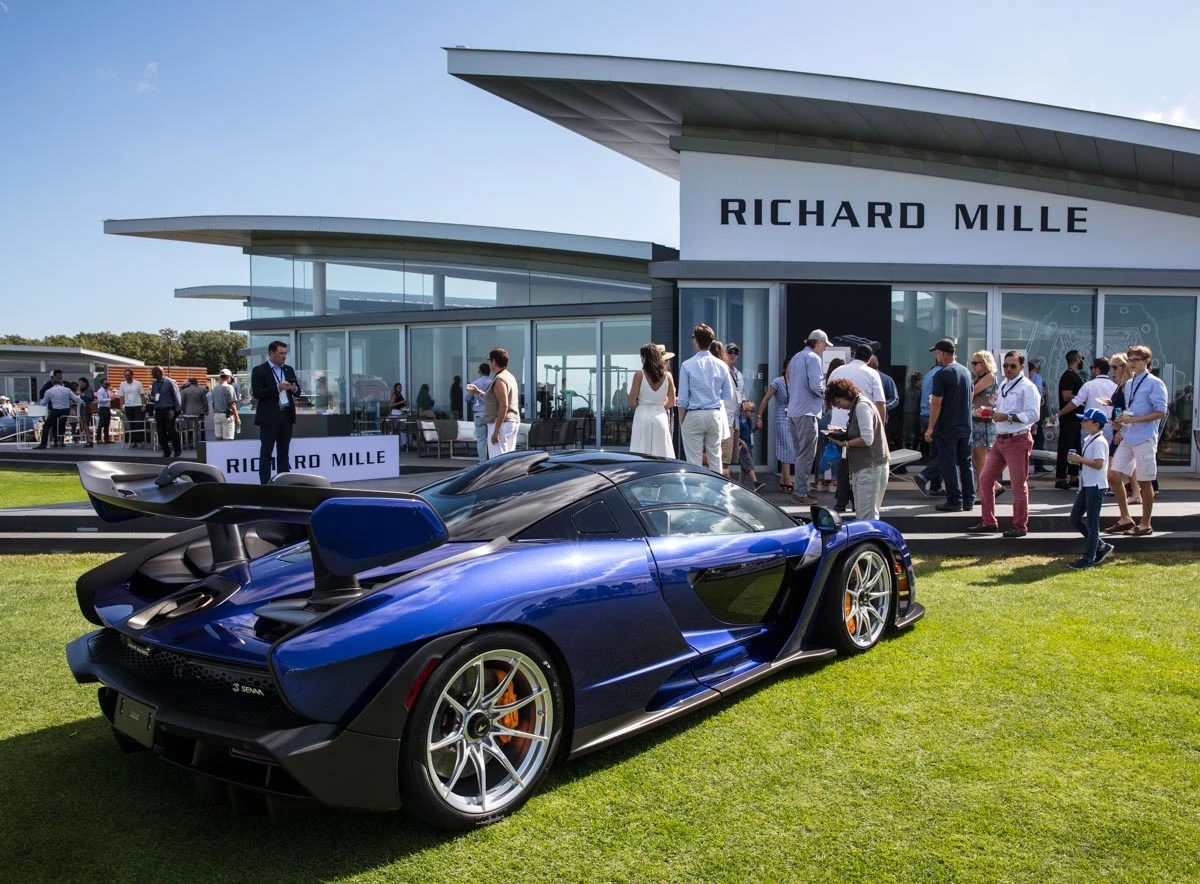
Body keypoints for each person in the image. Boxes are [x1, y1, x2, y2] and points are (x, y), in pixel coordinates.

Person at [970, 351, 1041, 537]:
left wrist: (1007, 416)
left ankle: (1019, 526)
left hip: (1018, 438)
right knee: (985, 478)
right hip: (1001, 438)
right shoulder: (1004, 384)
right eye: (1005, 366)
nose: (1008, 369)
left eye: (1012, 366)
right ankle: (988, 521)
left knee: (1018, 484)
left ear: (1022, 367)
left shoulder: (1028, 387)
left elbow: (1034, 415)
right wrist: (990, 411)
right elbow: (1001, 411)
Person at [1107, 345, 1168, 536]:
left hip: (1145, 437)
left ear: (1146, 362)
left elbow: (1161, 412)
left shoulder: (1155, 383)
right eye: (1130, 360)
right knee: (1113, 475)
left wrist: (1133, 420)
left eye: (1135, 360)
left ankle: (1145, 523)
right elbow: (1130, 409)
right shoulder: (1130, 383)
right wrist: (1120, 423)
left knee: (1145, 481)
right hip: (1129, 435)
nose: (1131, 364)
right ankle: (1125, 518)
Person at [828, 345, 886, 513]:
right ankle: (855, 502)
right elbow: (881, 403)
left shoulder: (837, 371)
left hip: (850, 425)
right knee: (853, 465)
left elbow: (829, 398)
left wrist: (834, 418)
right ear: (869, 359)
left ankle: (841, 501)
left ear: (853, 355)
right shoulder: (872, 374)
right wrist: (880, 428)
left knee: (846, 464)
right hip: (861, 426)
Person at [924, 338, 975, 512]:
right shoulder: (966, 372)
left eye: (937, 353)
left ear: (944, 354)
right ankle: (969, 499)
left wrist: (930, 427)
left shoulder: (942, 374)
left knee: (949, 464)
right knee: (966, 463)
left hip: (947, 426)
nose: (936, 356)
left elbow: (936, 402)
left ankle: (954, 500)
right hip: (965, 426)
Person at [677, 323, 733, 473]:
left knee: (694, 462)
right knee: (715, 458)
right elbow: (728, 394)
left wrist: (682, 421)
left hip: (694, 413)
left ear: (696, 341)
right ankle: (717, 493)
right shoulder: (721, 365)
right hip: (714, 413)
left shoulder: (687, 365)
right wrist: (713, 395)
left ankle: (695, 494)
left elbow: (682, 399)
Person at [785, 330, 829, 504]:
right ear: (818, 343)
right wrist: (827, 392)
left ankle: (802, 489)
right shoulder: (814, 358)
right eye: (824, 345)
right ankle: (801, 492)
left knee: (800, 453)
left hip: (794, 411)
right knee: (806, 454)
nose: (824, 349)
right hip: (807, 412)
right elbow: (816, 385)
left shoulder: (796, 357)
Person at [1067, 409, 1114, 569]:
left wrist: (1080, 459)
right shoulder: (1089, 439)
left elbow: (1099, 464)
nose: (1082, 423)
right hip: (1087, 485)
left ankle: (1088, 558)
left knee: (1092, 523)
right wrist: (1079, 460)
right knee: (1074, 518)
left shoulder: (1099, 441)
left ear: (1096, 424)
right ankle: (1101, 546)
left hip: (1095, 486)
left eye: (1086, 421)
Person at [251, 340, 300, 484]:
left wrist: (293, 388)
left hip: (286, 414)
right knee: (267, 451)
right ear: (271, 353)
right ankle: (265, 482)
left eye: (285, 354)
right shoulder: (259, 370)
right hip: (270, 416)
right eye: (281, 354)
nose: (284, 357)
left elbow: (297, 392)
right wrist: (278, 387)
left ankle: (283, 481)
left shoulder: (288, 369)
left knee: (284, 451)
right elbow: (257, 393)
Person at [628, 343, 676, 457]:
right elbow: (671, 401)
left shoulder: (639, 375)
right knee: (661, 449)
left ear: (645, 358)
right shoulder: (668, 375)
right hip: (660, 414)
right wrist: (660, 405)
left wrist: (644, 404)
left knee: (640, 449)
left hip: (642, 413)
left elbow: (632, 400)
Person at [471, 347, 519, 457]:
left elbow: (503, 405)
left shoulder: (500, 379)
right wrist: (478, 392)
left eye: (489, 360)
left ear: (494, 361)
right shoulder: (509, 377)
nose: (488, 363)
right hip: (511, 421)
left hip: (501, 423)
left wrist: (496, 431)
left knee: (497, 459)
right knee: (507, 459)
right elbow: (496, 400)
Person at [1056, 357, 1116, 444]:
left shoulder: (1088, 385)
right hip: (1108, 425)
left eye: (1092, 368)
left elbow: (1075, 403)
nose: (1091, 370)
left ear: (1097, 369)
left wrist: (1059, 413)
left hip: (1091, 424)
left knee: (1088, 454)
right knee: (1106, 455)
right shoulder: (1115, 387)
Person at [756, 364, 794, 492]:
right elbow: (766, 398)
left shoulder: (796, 380)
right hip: (782, 416)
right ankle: (788, 479)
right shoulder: (778, 382)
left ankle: (783, 479)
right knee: (785, 446)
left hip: (794, 417)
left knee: (791, 447)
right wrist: (759, 416)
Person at [969, 351, 1001, 500]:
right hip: (976, 421)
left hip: (984, 422)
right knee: (976, 459)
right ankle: (993, 486)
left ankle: (985, 492)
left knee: (981, 459)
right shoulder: (978, 378)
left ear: (984, 363)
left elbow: (972, 393)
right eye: (973, 363)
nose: (973, 366)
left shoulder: (989, 377)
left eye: (976, 363)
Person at [1054, 349, 1087, 489]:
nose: (1083, 361)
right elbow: (1066, 396)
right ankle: (1060, 478)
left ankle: (1074, 476)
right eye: (1082, 358)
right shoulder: (1068, 376)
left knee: (1075, 448)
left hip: (1076, 419)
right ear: (1077, 359)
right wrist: (1080, 398)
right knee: (1065, 448)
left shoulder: (1075, 376)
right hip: (1068, 419)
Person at [36, 376, 81, 448]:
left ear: (52, 383)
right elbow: (76, 398)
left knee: (47, 425)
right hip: (66, 410)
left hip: (56, 410)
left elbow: (43, 402)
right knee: (62, 425)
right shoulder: (67, 390)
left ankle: (44, 444)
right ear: (61, 383)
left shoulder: (49, 391)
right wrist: (82, 401)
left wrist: (38, 403)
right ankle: (61, 442)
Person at [147, 367, 182, 458]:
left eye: (153, 373)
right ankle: (166, 451)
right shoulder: (154, 384)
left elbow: (176, 396)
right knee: (160, 431)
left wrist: (178, 409)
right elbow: (153, 395)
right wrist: (151, 398)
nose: (152, 375)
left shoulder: (170, 382)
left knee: (171, 429)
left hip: (169, 409)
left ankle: (177, 450)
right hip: (158, 409)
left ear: (159, 372)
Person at [736, 400, 765, 492]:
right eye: (750, 411)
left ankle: (740, 484)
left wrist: (755, 429)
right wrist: (741, 442)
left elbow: (749, 432)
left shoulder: (749, 421)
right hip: (742, 447)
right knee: (749, 465)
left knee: (744, 467)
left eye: (753, 412)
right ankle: (755, 482)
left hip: (749, 445)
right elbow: (736, 435)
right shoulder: (740, 421)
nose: (752, 414)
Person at [1028, 358, 1051, 471]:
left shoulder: (1033, 379)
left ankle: (1036, 464)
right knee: (1038, 438)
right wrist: (1035, 421)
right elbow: (1037, 398)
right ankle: (1037, 464)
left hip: (1033, 415)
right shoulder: (1035, 378)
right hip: (1034, 415)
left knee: (1036, 438)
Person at [465, 363, 492, 461]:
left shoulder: (474, 383)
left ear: (480, 372)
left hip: (478, 413)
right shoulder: (492, 383)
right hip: (490, 413)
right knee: (491, 438)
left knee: (481, 439)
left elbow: (467, 398)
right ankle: (492, 460)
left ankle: (483, 462)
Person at [118, 368, 146, 448]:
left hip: (138, 405)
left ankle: (141, 440)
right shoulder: (122, 384)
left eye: (128, 375)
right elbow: (121, 396)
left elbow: (142, 395)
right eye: (125, 375)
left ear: (132, 375)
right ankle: (134, 442)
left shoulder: (138, 383)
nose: (127, 377)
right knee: (131, 424)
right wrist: (121, 406)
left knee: (139, 423)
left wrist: (144, 405)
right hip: (128, 406)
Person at [211, 369, 240, 440]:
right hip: (227, 416)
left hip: (217, 415)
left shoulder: (215, 388)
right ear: (228, 377)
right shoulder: (229, 387)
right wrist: (237, 417)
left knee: (218, 438)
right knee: (228, 439)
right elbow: (232, 404)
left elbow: (213, 403)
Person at [179, 377, 208, 443]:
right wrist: (206, 410)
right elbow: (205, 402)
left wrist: (182, 410)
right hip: (199, 413)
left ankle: (189, 441)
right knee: (201, 427)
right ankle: (201, 440)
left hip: (188, 412)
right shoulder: (201, 390)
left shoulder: (184, 391)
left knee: (189, 428)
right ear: (196, 382)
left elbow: (182, 403)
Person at [902, 370, 923, 451]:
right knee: (915, 434)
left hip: (907, 415)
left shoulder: (906, 391)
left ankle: (909, 449)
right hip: (915, 415)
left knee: (908, 435)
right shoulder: (920, 392)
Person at [76, 377, 96, 446]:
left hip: (86, 407)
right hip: (83, 407)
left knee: (85, 423)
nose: (80, 384)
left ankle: (89, 439)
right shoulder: (83, 389)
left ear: (85, 383)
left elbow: (89, 398)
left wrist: (82, 394)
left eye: (81, 382)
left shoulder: (88, 389)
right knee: (85, 424)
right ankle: (88, 438)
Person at [95, 378, 113, 443]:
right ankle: (98, 438)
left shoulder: (106, 390)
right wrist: (109, 399)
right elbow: (100, 400)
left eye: (108, 384)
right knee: (101, 423)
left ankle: (106, 438)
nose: (107, 385)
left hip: (107, 408)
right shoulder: (100, 391)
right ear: (102, 384)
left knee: (107, 424)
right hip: (103, 408)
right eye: (106, 384)